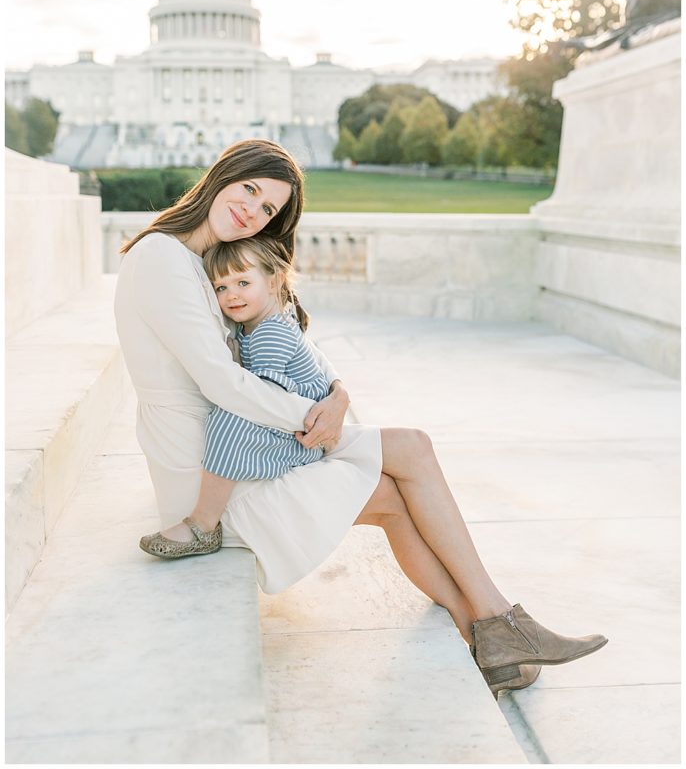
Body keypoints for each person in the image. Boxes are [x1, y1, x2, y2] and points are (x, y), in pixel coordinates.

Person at [114, 138, 607, 698]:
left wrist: (339, 393)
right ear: (223, 174)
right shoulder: (161, 258)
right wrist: (317, 416)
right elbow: (221, 382)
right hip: (207, 467)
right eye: (250, 189)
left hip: (239, 443)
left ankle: (493, 628)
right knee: (407, 461)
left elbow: (280, 341)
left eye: (269, 208)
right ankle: (496, 627)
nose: (253, 210)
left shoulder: (210, 261)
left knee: (406, 468)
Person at [139, 235, 331, 559]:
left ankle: (203, 524)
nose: (232, 295)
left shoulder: (270, 332)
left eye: (243, 282)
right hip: (291, 416)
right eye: (221, 288)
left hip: (304, 435)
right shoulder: (256, 324)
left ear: (274, 282)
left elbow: (265, 398)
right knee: (228, 414)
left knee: (228, 421)